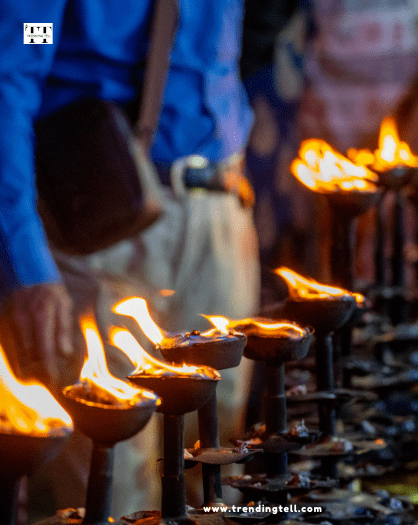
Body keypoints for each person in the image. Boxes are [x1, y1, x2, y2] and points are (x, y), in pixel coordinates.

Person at [0, 0, 259, 518]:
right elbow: (15, 74)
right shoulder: (36, 22)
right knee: (114, 483)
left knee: (217, 467)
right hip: (98, 225)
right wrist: (26, 260)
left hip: (219, 208)